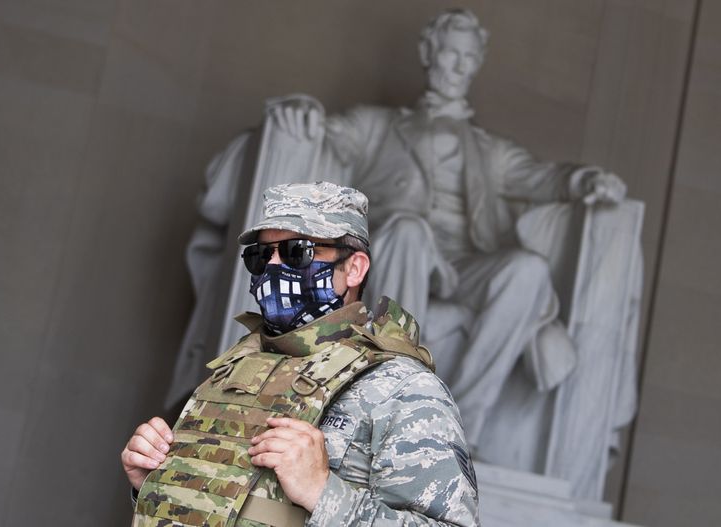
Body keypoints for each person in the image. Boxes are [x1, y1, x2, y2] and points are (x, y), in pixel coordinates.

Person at [266, 8, 628, 465]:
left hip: (462, 265)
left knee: (527, 269)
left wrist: (585, 182)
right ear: (427, 54)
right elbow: (325, 135)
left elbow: (545, 178)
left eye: (468, 57)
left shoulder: (490, 151)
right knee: (408, 229)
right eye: (450, 53)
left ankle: (461, 424)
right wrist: (302, 109)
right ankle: (394, 398)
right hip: (397, 252)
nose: (458, 65)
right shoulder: (377, 126)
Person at [122, 182, 479, 526]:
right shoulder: (237, 368)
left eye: (298, 252)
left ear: (354, 268)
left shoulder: (402, 388)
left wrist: (323, 493)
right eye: (261, 255)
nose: (275, 266)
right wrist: (155, 485)